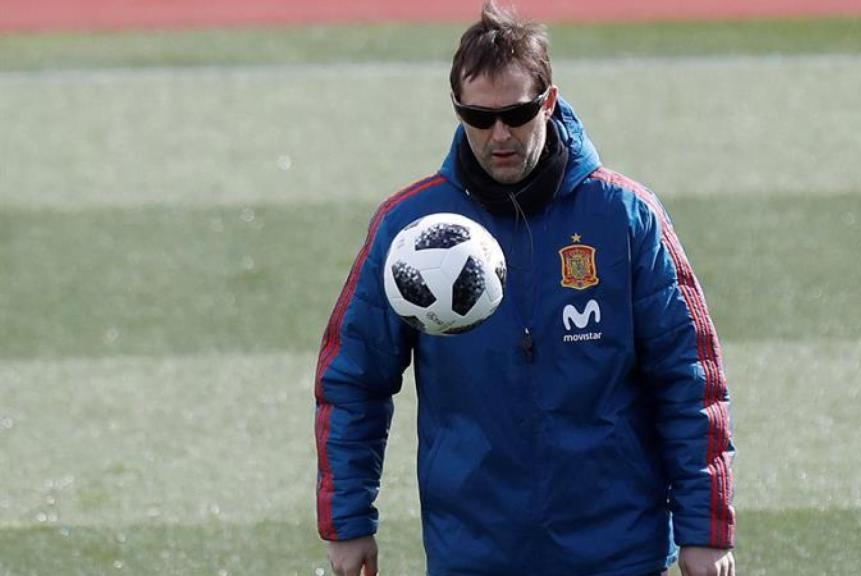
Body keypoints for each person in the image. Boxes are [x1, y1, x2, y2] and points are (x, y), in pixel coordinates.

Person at [314, 2, 735, 575]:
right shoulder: (410, 229)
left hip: (616, 551)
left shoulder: (625, 217)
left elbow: (690, 380)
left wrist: (704, 530)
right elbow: (353, 381)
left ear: (550, 101)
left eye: (517, 112)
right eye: (479, 117)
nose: (500, 134)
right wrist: (350, 521)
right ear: (456, 109)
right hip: (475, 552)